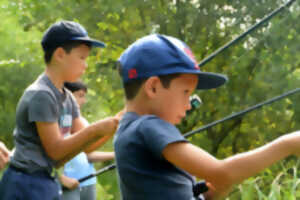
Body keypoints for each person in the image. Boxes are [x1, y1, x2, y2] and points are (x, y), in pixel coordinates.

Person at [113, 34, 300, 200]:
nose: (188, 105)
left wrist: (213, 193)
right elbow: (222, 173)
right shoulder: (148, 126)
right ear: (153, 87)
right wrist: (288, 144)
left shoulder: (127, 129)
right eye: (185, 92)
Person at [0, 20, 120, 200]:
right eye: (81, 58)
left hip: (46, 179)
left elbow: (86, 146)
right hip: (25, 183)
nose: (85, 65)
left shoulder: (68, 98)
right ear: (60, 54)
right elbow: (55, 151)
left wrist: (116, 124)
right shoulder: (41, 94)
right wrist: (97, 129)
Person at [60, 81, 115, 200]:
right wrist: (61, 179)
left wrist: (115, 155)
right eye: (80, 96)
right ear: (67, 95)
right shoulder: (55, 121)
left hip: (88, 182)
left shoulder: (82, 122)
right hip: (68, 184)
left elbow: (87, 154)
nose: (84, 100)